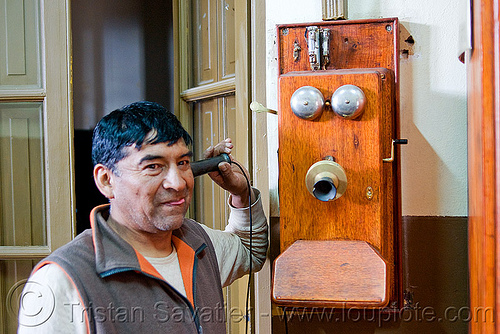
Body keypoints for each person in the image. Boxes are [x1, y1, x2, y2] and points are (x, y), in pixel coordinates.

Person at [17, 101, 268, 333]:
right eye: (153, 166)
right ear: (106, 181)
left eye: (182, 163)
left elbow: (250, 249)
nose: (177, 183)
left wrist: (242, 194)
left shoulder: (198, 243)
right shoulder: (61, 281)